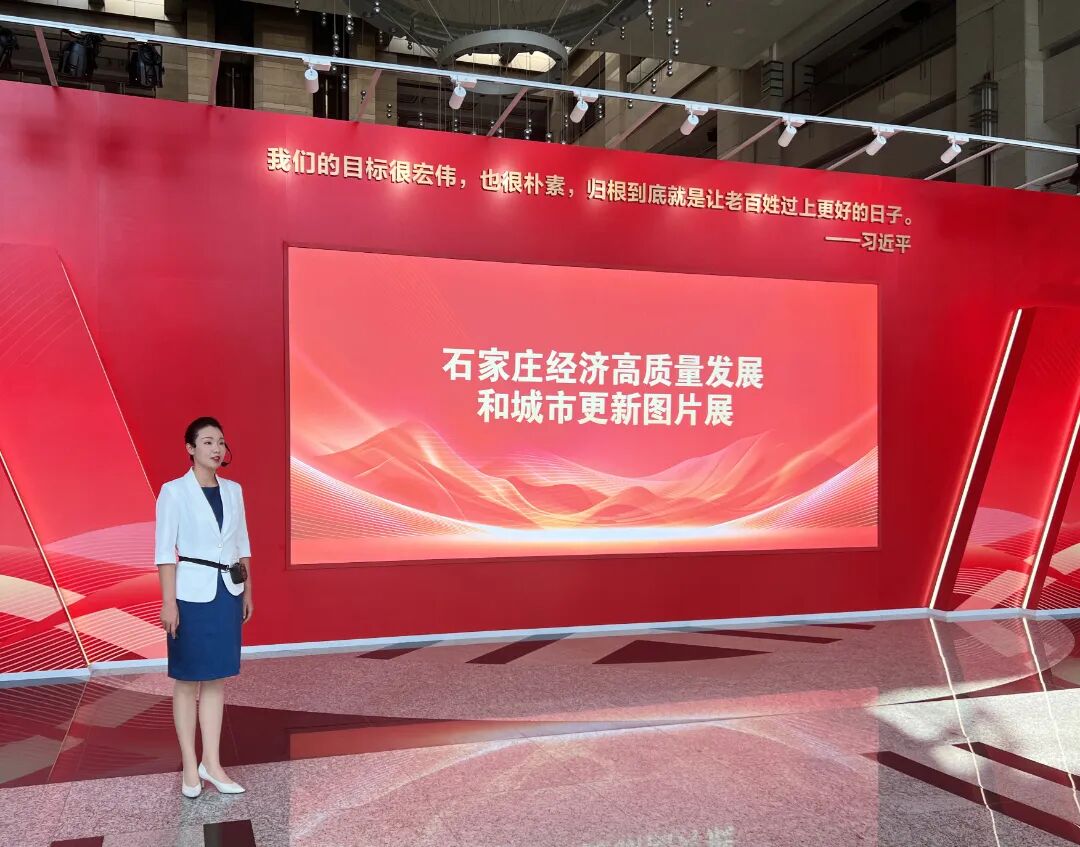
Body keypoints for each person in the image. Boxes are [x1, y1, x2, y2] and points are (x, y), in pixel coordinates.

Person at [155, 416, 253, 798]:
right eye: (208, 441)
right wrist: (168, 603)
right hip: (190, 595)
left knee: (216, 678)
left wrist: (247, 592)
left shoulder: (234, 490)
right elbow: (165, 552)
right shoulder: (174, 491)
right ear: (190, 448)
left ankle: (211, 763)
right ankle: (189, 766)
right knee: (187, 678)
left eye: (221, 442)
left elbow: (242, 545)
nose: (216, 448)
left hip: (227, 591)